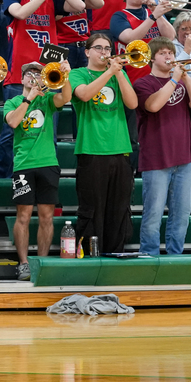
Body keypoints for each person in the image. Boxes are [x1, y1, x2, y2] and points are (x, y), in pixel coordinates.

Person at [0, 0, 85, 179]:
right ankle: (6, 179)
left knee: (48, 132)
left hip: (49, 76)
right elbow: (21, 13)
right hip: (20, 76)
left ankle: (45, 181)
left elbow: (80, 5)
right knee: (11, 133)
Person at [134, 37, 191, 256]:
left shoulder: (182, 81)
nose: (169, 57)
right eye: (163, 53)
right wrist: (173, 80)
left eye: (171, 53)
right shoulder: (143, 83)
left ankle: (175, 259)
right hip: (156, 158)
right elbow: (153, 106)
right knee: (153, 214)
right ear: (152, 58)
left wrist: (187, 78)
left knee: (182, 215)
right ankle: (149, 258)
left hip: (183, 158)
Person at [70, 32, 138, 255]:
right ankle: (90, 257)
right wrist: (110, 71)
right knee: (92, 210)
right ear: (87, 52)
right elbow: (85, 95)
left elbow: (132, 102)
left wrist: (118, 75)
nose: (104, 52)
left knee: (119, 210)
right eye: (98, 48)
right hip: (91, 150)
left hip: (120, 150)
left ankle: (114, 255)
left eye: (107, 49)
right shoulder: (78, 74)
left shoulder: (119, 74)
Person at [5, 60, 72, 280]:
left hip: (48, 163)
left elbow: (66, 98)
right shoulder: (13, 101)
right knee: (23, 216)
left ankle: (41, 262)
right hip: (24, 165)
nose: (33, 77)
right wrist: (29, 97)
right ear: (22, 78)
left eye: (37, 74)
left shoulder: (48, 99)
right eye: (29, 74)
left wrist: (67, 77)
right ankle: (24, 263)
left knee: (46, 216)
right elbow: (14, 122)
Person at [110, 0, 175, 84]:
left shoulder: (153, 12)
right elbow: (131, 39)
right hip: (133, 78)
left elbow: (170, 36)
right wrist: (154, 16)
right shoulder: (118, 16)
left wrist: (155, 10)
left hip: (159, 76)